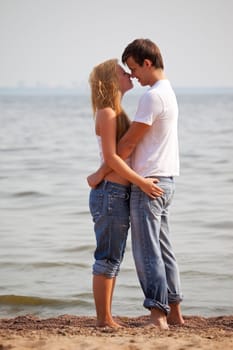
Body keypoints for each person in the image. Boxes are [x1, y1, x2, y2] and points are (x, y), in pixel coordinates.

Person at [87, 39, 184, 330]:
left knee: (146, 251)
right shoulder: (162, 94)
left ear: (147, 63)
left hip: (144, 185)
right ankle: (168, 312)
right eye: (125, 71)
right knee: (139, 252)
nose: (132, 76)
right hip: (141, 184)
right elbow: (119, 151)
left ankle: (158, 315)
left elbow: (125, 147)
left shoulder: (151, 97)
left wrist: (101, 173)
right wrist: (104, 175)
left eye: (133, 69)